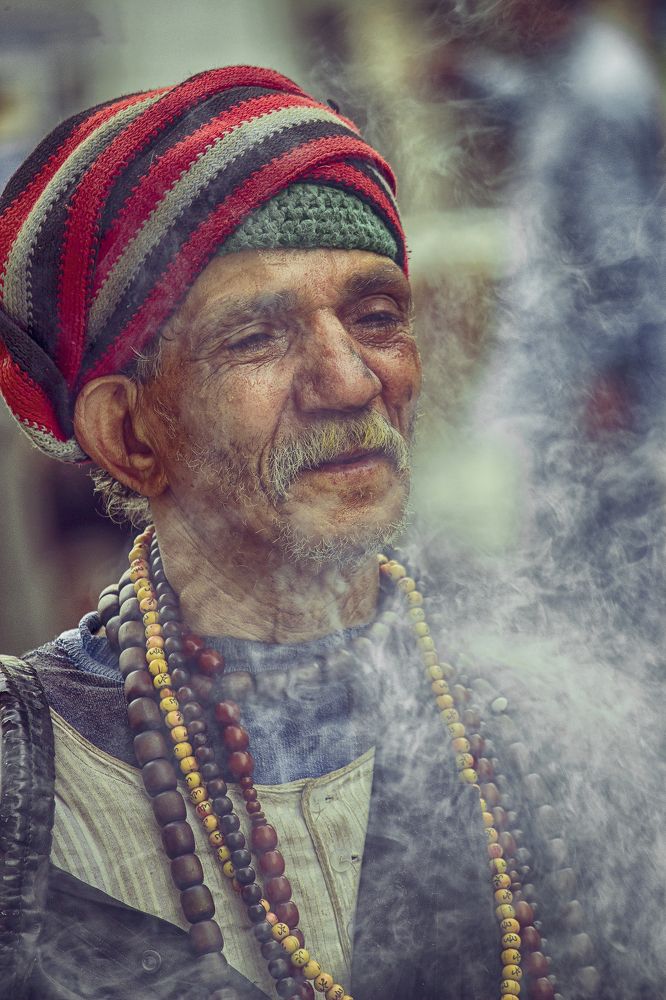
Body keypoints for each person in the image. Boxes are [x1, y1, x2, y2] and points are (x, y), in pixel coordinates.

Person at [0, 66, 662, 1000]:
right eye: (256, 337)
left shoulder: (562, 731)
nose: (352, 380)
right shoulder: (26, 780)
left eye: (376, 315)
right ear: (131, 434)